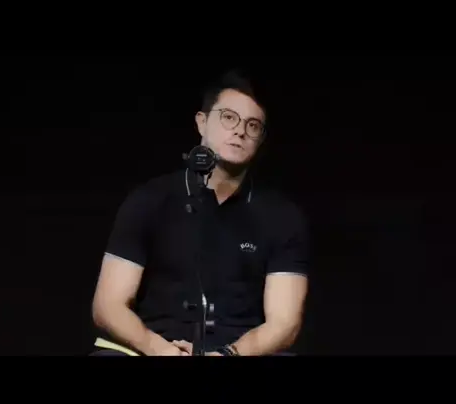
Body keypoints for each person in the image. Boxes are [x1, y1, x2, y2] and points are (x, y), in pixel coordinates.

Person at [90, 70, 310, 356]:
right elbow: (108, 306)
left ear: (260, 139)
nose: (240, 131)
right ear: (201, 122)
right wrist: (160, 350)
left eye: (253, 125)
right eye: (229, 117)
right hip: (151, 348)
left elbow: (284, 323)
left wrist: (228, 354)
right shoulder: (150, 200)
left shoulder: (282, 217)